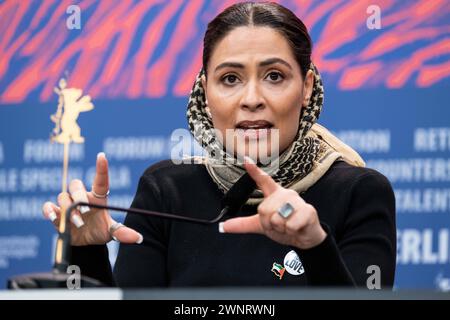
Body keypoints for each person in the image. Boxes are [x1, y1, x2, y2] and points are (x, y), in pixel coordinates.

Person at [42, 2, 396, 288]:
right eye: (230, 79)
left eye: (274, 76)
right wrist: (86, 252)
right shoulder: (166, 190)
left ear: (305, 88)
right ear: (205, 94)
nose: (252, 98)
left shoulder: (359, 192)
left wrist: (316, 245)